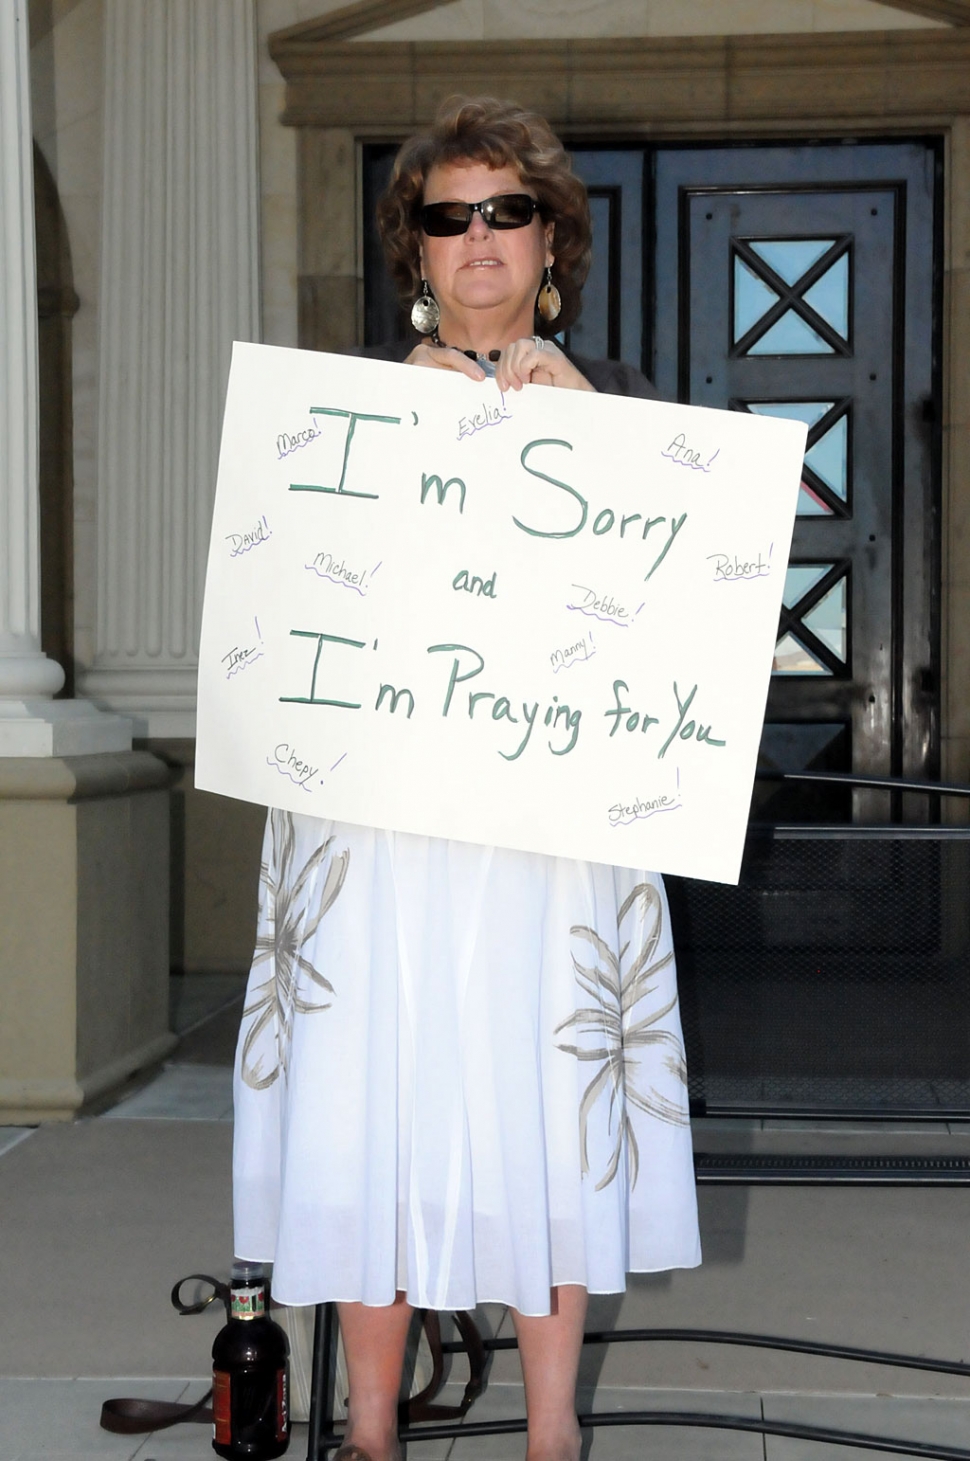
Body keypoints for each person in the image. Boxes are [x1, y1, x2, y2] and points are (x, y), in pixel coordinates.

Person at [232, 95, 701, 1461]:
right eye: (449, 216)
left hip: (548, 835)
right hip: (377, 830)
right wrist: (386, 435)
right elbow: (286, 617)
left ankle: (553, 1433)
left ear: (550, 238)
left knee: (547, 1100)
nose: (479, 237)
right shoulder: (337, 418)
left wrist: (600, 434)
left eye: (506, 210)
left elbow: (681, 636)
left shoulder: (630, 414)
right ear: (416, 255)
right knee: (371, 1096)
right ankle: (367, 1431)